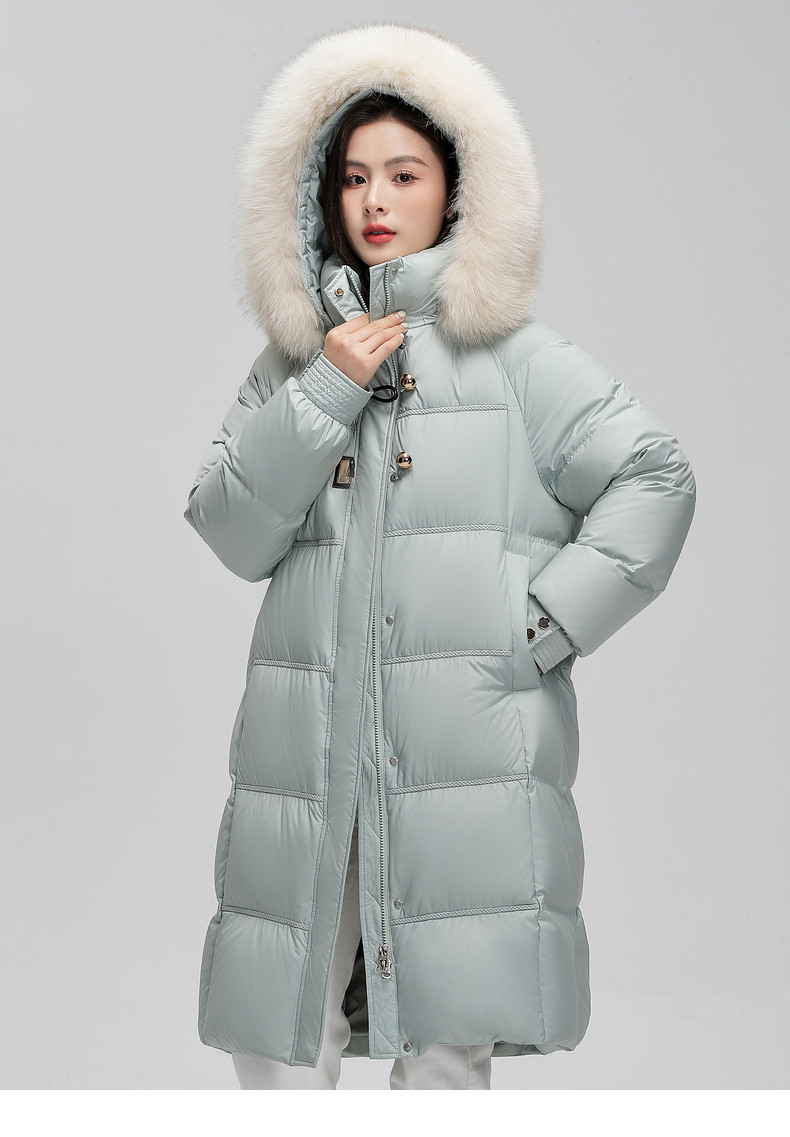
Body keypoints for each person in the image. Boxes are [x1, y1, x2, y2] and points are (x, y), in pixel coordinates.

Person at [183, 23, 696, 1091]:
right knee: (277, 1037)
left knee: (447, 1046)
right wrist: (327, 386)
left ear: (456, 191)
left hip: (466, 753)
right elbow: (228, 525)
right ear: (319, 198)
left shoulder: (513, 359)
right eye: (353, 177)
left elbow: (655, 475)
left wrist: (543, 627)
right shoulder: (292, 361)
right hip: (309, 759)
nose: (375, 199)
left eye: (404, 174)